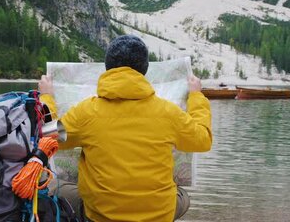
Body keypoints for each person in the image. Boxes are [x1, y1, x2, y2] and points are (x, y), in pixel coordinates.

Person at [38, 35, 212, 222]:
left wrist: (47, 97)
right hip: (158, 216)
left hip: (102, 217)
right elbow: (202, 140)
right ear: (144, 70)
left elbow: (48, 137)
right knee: (181, 196)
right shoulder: (168, 112)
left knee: (54, 186)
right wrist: (196, 96)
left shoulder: (86, 112)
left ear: (107, 68)